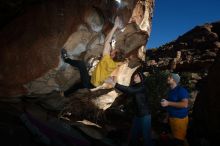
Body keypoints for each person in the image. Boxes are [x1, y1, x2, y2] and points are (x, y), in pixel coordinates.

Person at [61, 16, 125, 96]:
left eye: (114, 51)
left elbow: (106, 41)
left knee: (81, 64)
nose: (113, 50)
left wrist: (115, 26)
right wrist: (112, 46)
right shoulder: (114, 63)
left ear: (113, 55)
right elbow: (110, 47)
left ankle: (66, 59)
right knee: (78, 85)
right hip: (94, 82)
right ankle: (65, 94)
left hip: (90, 82)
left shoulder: (107, 60)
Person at [107, 67, 151, 146]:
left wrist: (115, 84)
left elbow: (130, 90)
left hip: (145, 115)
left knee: (146, 136)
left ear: (141, 78)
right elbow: (128, 91)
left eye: (137, 76)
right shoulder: (136, 86)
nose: (134, 76)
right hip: (137, 115)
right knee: (133, 135)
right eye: (135, 75)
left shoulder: (142, 87)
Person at [160, 73, 189, 146]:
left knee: (178, 141)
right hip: (172, 118)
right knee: (177, 138)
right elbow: (170, 106)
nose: (168, 78)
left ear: (174, 80)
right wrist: (166, 118)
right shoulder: (171, 91)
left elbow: (185, 104)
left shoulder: (181, 90)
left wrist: (168, 103)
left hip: (180, 119)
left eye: (170, 77)